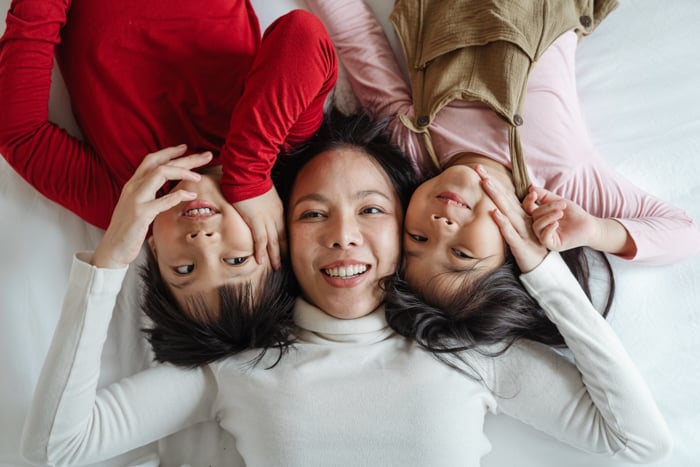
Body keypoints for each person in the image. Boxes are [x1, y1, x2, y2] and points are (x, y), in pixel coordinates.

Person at [21, 109, 671, 467]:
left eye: (370, 210)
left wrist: (540, 268)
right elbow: (57, 446)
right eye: (311, 213)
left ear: (408, 225)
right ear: (274, 237)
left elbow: (641, 441)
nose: (342, 235)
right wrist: (110, 259)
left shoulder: (464, 353)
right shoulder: (238, 365)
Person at [304, 0, 700, 349]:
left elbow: (358, 35)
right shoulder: (562, 176)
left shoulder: (411, 143)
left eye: (418, 237)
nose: (440, 226)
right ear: (514, 250)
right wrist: (596, 230)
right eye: (461, 253)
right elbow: (683, 232)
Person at [0, 1, 338, 345]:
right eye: (235, 259)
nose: (202, 243)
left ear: (155, 252)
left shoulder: (126, 201)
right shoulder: (278, 145)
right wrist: (248, 173)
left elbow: (20, 134)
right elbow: (303, 34)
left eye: (185, 270)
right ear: (274, 241)